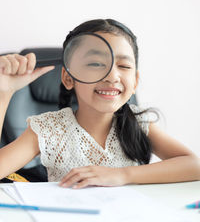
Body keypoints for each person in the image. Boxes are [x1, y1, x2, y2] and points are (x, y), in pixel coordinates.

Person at [0, 19, 200, 188]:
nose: (112, 76)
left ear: (135, 81)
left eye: (124, 65)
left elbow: (194, 165)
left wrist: (123, 175)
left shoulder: (139, 123)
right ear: (68, 77)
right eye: (96, 64)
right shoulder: (48, 130)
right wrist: (4, 92)